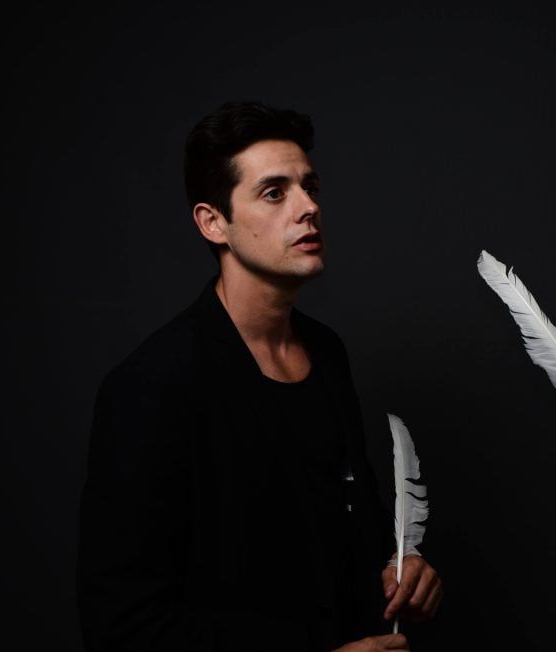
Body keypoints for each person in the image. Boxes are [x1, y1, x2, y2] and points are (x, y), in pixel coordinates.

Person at [77, 101, 441, 651]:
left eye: (309, 187)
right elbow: (122, 625)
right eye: (274, 193)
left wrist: (398, 568)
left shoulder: (326, 352)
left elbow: (343, 532)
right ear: (213, 222)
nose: (308, 207)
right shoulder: (151, 386)